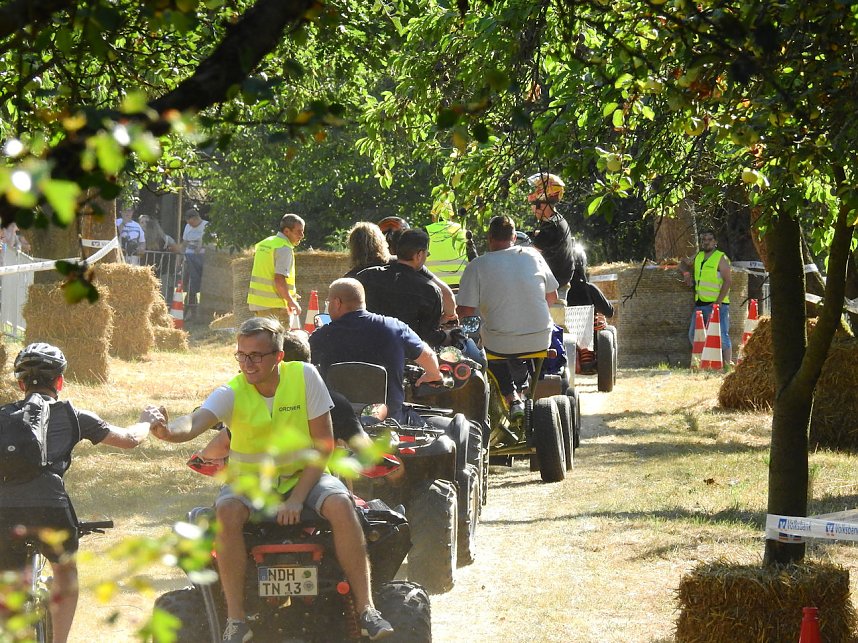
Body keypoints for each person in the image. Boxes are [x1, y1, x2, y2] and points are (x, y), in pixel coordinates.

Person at [143, 317, 394, 642]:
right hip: (252, 483)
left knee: (342, 505)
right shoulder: (232, 391)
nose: (247, 364)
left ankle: (366, 610)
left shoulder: (305, 377)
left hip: (307, 477)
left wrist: (296, 499)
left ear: (279, 356)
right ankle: (236, 621)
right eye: (241, 355)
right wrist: (167, 431)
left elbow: (323, 447)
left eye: (256, 356)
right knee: (225, 510)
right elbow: (194, 422)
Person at [0, 343, 149, 643]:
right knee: (65, 573)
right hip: (51, 508)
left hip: (5, 511)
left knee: (7, 583)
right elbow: (130, 439)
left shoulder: (3, 416)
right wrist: (147, 419)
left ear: (20, 384)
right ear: (60, 381)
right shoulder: (74, 415)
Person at [456, 215, 559, 418]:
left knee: (483, 345)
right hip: (541, 338)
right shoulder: (533, 255)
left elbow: (466, 312)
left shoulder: (477, 265)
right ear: (514, 237)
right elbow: (552, 296)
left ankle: (511, 396)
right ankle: (522, 389)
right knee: (510, 341)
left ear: (489, 238)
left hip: (500, 344)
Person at [309, 278, 444, 425]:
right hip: (390, 422)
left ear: (337, 303)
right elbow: (427, 355)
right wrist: (433, 375)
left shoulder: (321, 336)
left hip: (336, 423)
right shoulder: (394, 327)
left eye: (328, 302)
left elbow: (303, 365)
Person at [346, 221, 457, 322]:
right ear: (381, 241)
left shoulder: (351, 279)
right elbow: (446, 294)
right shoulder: (405, 261)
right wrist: (445, 318)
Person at [679, 228, 733, 365]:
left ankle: (728, 364)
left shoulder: (721, 257)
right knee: (693, 335)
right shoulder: (698, 256)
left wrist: (718, 302)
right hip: (700, 304)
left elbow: (728, 281)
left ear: (715, 242)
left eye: (710, 239)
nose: (706, 242)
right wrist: (686, 274)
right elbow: (683, 263)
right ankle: (705, 362)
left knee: (722, 335)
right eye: (703, 240)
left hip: (717, 305)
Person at [247, 213, 305, 326]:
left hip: (258, 305)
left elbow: (266, 272)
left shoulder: (264, 244)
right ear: (287, 231)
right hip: (275, 307)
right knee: (280, 337)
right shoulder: (284, 248)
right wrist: (291, 301)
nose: (302, 235)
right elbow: (279, 279)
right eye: (299, 231)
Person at [566, 243, 614, 374]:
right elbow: (609, 312)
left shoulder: (557, 291)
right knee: (602, 323)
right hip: (587, 344)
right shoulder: (589, 289)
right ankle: (586, 355)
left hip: (562, 338)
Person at [527, 172, 575, 302]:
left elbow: (529, 254)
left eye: (536, 204)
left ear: (542, 204)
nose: (533, 208)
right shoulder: (557, 220)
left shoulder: (551, 227)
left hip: (554, 288)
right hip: (558, 282)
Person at [424, 203, 477, 288]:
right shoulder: (463, 230)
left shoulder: (426, 232)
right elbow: (474, 260)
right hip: (461, 286)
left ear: (433, 216)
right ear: (451, 215)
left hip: (434, 286)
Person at [181, 208, 209, 320]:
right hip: (188, 259)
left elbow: (210, 242)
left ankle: (200, 313)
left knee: (200, 286)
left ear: (196, 218)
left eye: (191, 222)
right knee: (189, 286)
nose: (190, 225)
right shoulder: (187, 227)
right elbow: (185, 242)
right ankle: (191, 313)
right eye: (188, 223)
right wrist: (180, 255)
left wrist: (200, 246)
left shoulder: (206, 225)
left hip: (202, 260)